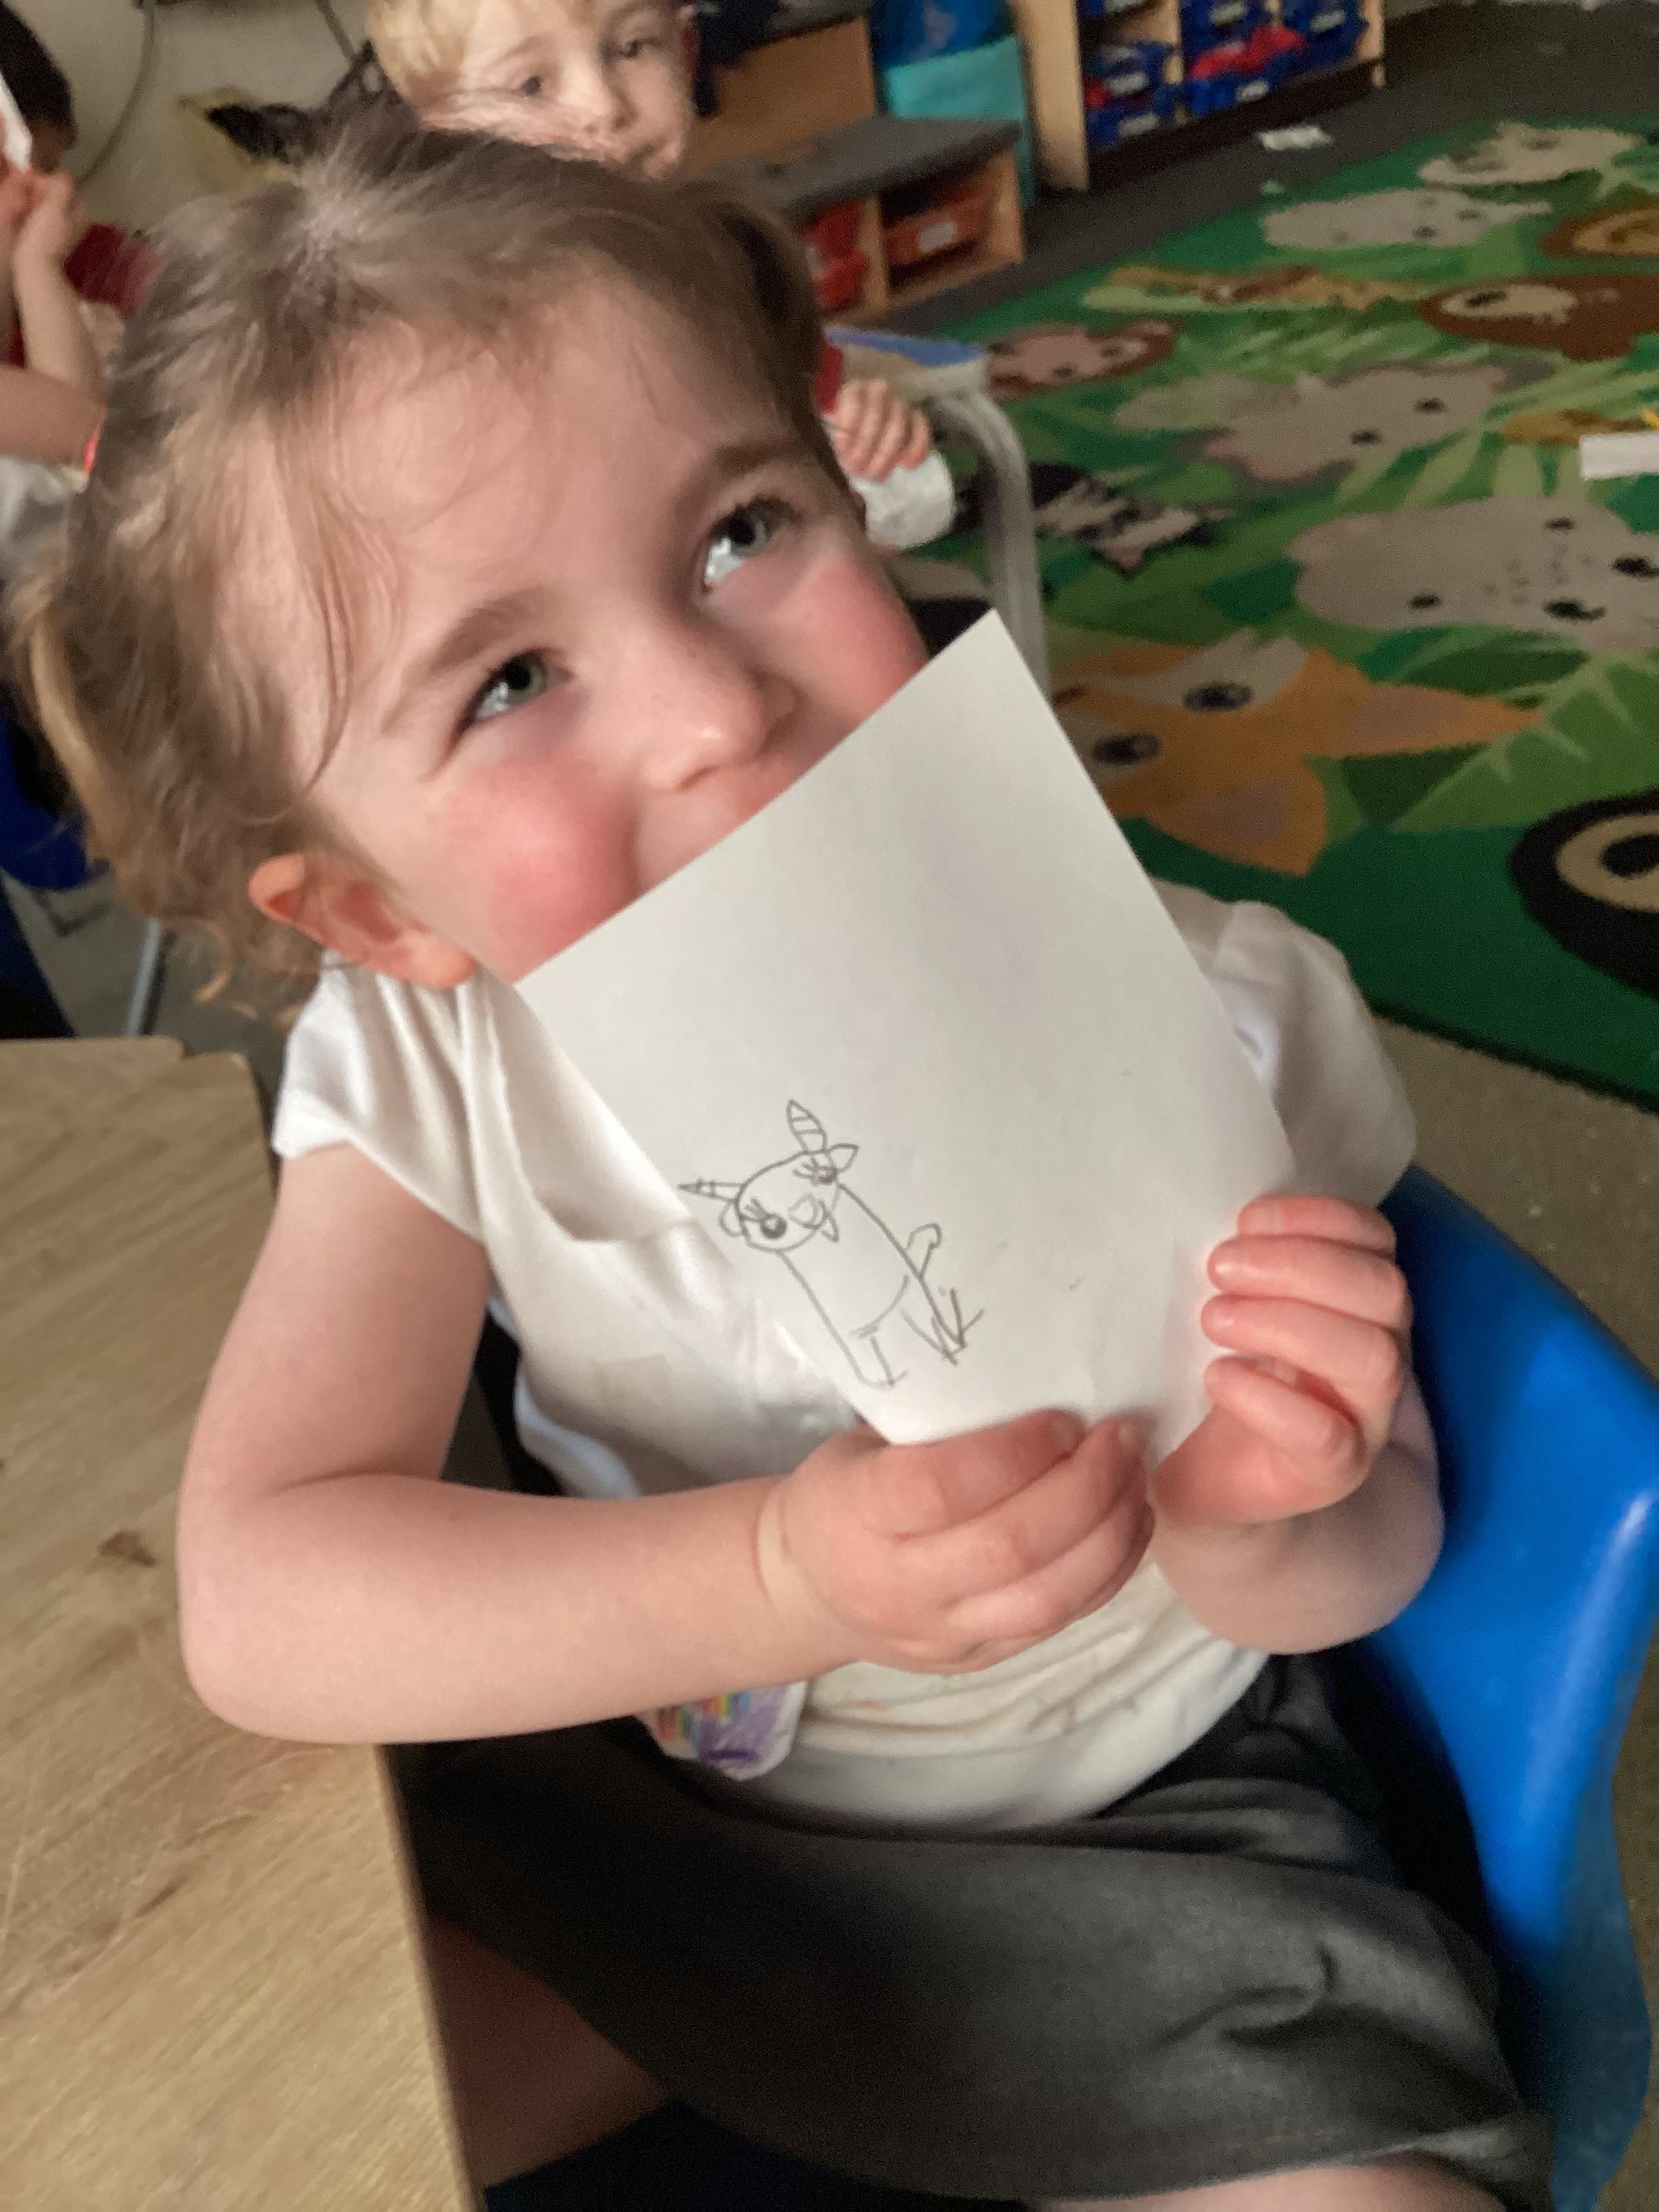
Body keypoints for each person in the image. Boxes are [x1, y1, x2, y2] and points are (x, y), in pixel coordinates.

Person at [20, 122, 1549, 2212]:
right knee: (234, 2107)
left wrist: (1274, 1512)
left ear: (846, 488)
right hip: (664, 1832)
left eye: (741, 531)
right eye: (511, 679)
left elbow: (1372, 1560)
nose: (713, 709)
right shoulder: (432, 1065)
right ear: (376, 910)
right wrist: (777, 1580)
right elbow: (267, 1597)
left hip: (1150, 1839)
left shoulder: (1225, 1010)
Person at [365, 0, 935, 487]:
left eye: (632, 49)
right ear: (448, 140)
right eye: (530, 85)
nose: (604, 108)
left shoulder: (738, 254)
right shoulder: (456, 342)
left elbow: (816, 403)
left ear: (684, 50)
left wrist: (864, 423)